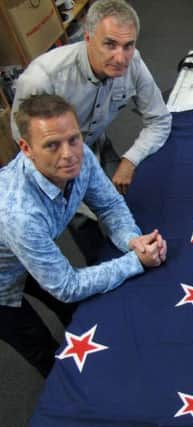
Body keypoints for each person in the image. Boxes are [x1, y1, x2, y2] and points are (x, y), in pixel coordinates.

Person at [0, 94, 167, 378]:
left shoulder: (79, 154)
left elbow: (109, 204)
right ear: (26, 148)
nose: (69, 154)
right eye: (52, 145)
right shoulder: (18, 212)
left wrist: (131, 239)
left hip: (26, 253)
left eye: (73, 139)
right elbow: (66, 285)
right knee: (43, 349)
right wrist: (136, 262)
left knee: (77, 313)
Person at [10, 0, 171, 195]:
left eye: (128, 45)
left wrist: (130, 161)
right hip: (54, 161)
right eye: (110, 44)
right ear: (87, 38)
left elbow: (159, 120)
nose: (121, 58)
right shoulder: (42, 79)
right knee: (83, 218)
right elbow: (30, 146)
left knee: (130, 197)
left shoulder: (133, 61)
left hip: (96, 144)